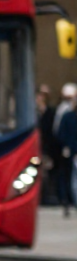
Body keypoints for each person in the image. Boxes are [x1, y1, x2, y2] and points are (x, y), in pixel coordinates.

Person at [55, 83, 77, 217]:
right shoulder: (66, 115)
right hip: (70, 150)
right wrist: (66, 147)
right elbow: (60, 133)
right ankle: (67, 200)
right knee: (69, 177)